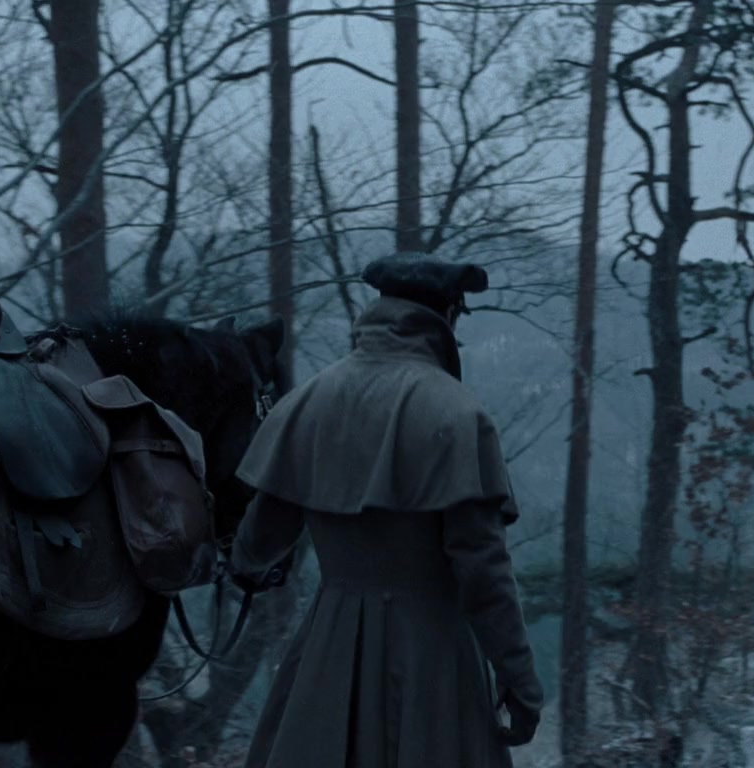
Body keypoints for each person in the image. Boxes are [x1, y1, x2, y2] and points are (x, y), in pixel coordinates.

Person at [230, 252, 543, 768]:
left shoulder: (308, 401)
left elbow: (256, 544)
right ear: (449, 314)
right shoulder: (458, 415)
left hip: (327, 659)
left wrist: (239, 567)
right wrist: (519, 678)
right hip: (432, 665)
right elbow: (482, 570)